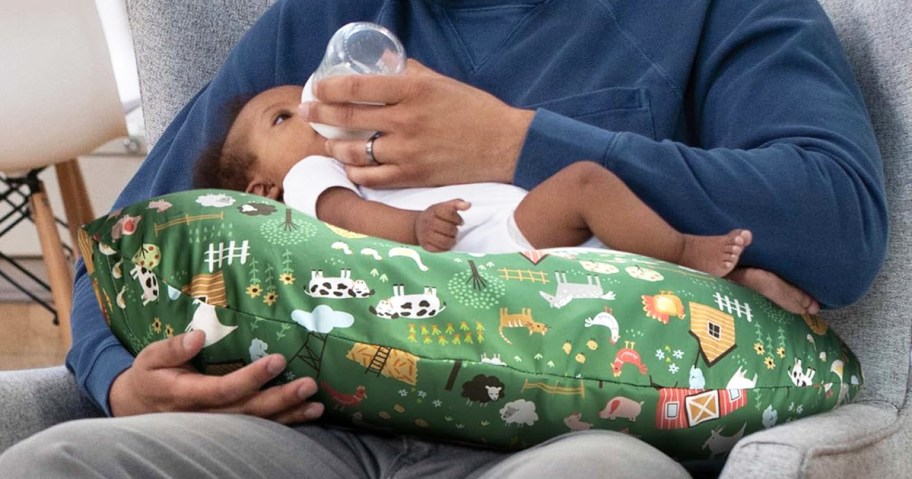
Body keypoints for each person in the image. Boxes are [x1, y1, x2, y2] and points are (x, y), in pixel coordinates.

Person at [0, 0, 887, 477]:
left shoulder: (712, 9)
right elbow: (122, 246)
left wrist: (517, 141)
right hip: (311, 430)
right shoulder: (319, 24)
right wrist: (121, 384)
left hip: (567, 440)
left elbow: (839, 224)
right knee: (58, 462)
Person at [196, 84, 817, 314]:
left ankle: (734, 289)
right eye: (283, 117)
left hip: (500, 237)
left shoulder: (366, 161)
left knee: (630, 271)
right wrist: (413, 228)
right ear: (260, 188)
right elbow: (348, 216)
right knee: (585, 186)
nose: (310, 108)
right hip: (491, 243)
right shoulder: (304, 180)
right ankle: (690, 253)